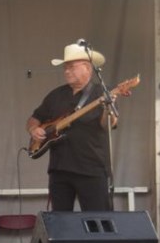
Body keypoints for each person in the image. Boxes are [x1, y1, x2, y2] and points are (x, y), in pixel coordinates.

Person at [26, 42, 117, 211]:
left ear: (88, 68)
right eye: (65, 68)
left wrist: (107, 108)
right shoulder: (56, 95)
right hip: (59, 170)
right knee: (60, 224)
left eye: (72, 67)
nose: (67, 71)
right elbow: (34, 118)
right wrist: (33, 129)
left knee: (97, 222)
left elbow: (108, 125)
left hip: (92, 169)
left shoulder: (102, 93)